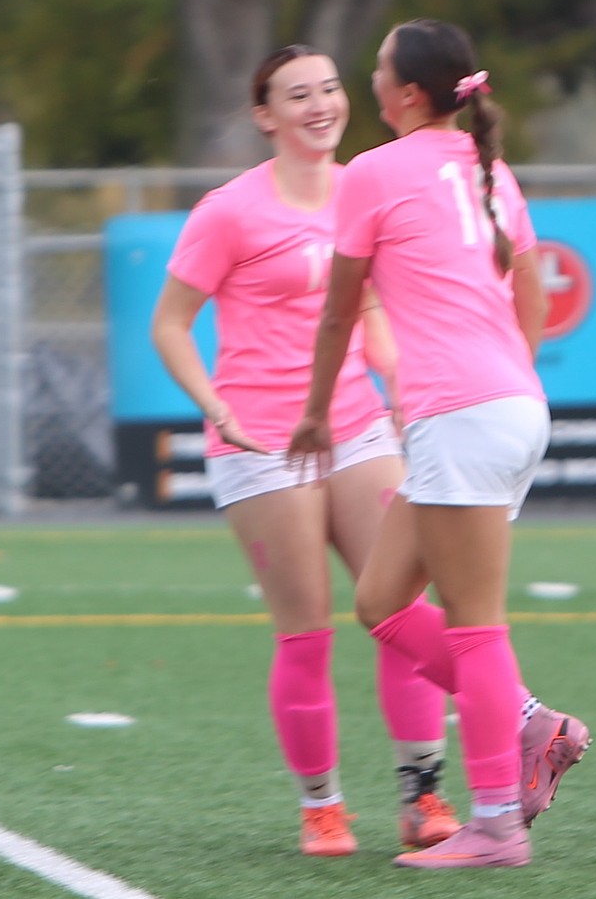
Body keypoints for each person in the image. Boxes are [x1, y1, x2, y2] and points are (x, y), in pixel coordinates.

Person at [287, 18, 590, 869]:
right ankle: (530, 722)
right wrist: (503, 380)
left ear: (407, 93)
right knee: (381, 601)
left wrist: (316, 411)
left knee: (474, 629)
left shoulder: (375, 172)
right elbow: (529, 292)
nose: (368, 77)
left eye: (376, 65)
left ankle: (496, 825)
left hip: (466, 416)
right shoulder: (489, 167)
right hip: (502, 409)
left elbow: (341, 308)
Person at [149, 45, 460, 858]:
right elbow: (171, 323)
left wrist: (395, 372)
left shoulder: (368, 185)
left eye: (329, 88)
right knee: (307, 631)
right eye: (298, 94)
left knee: (399, 609)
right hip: (262, 442)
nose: (320, 104)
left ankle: (424, 795)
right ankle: (321, 806)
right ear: (266, 116)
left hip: (357, 425)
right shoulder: (229, 210)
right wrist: (216, 407)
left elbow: (375, 307)